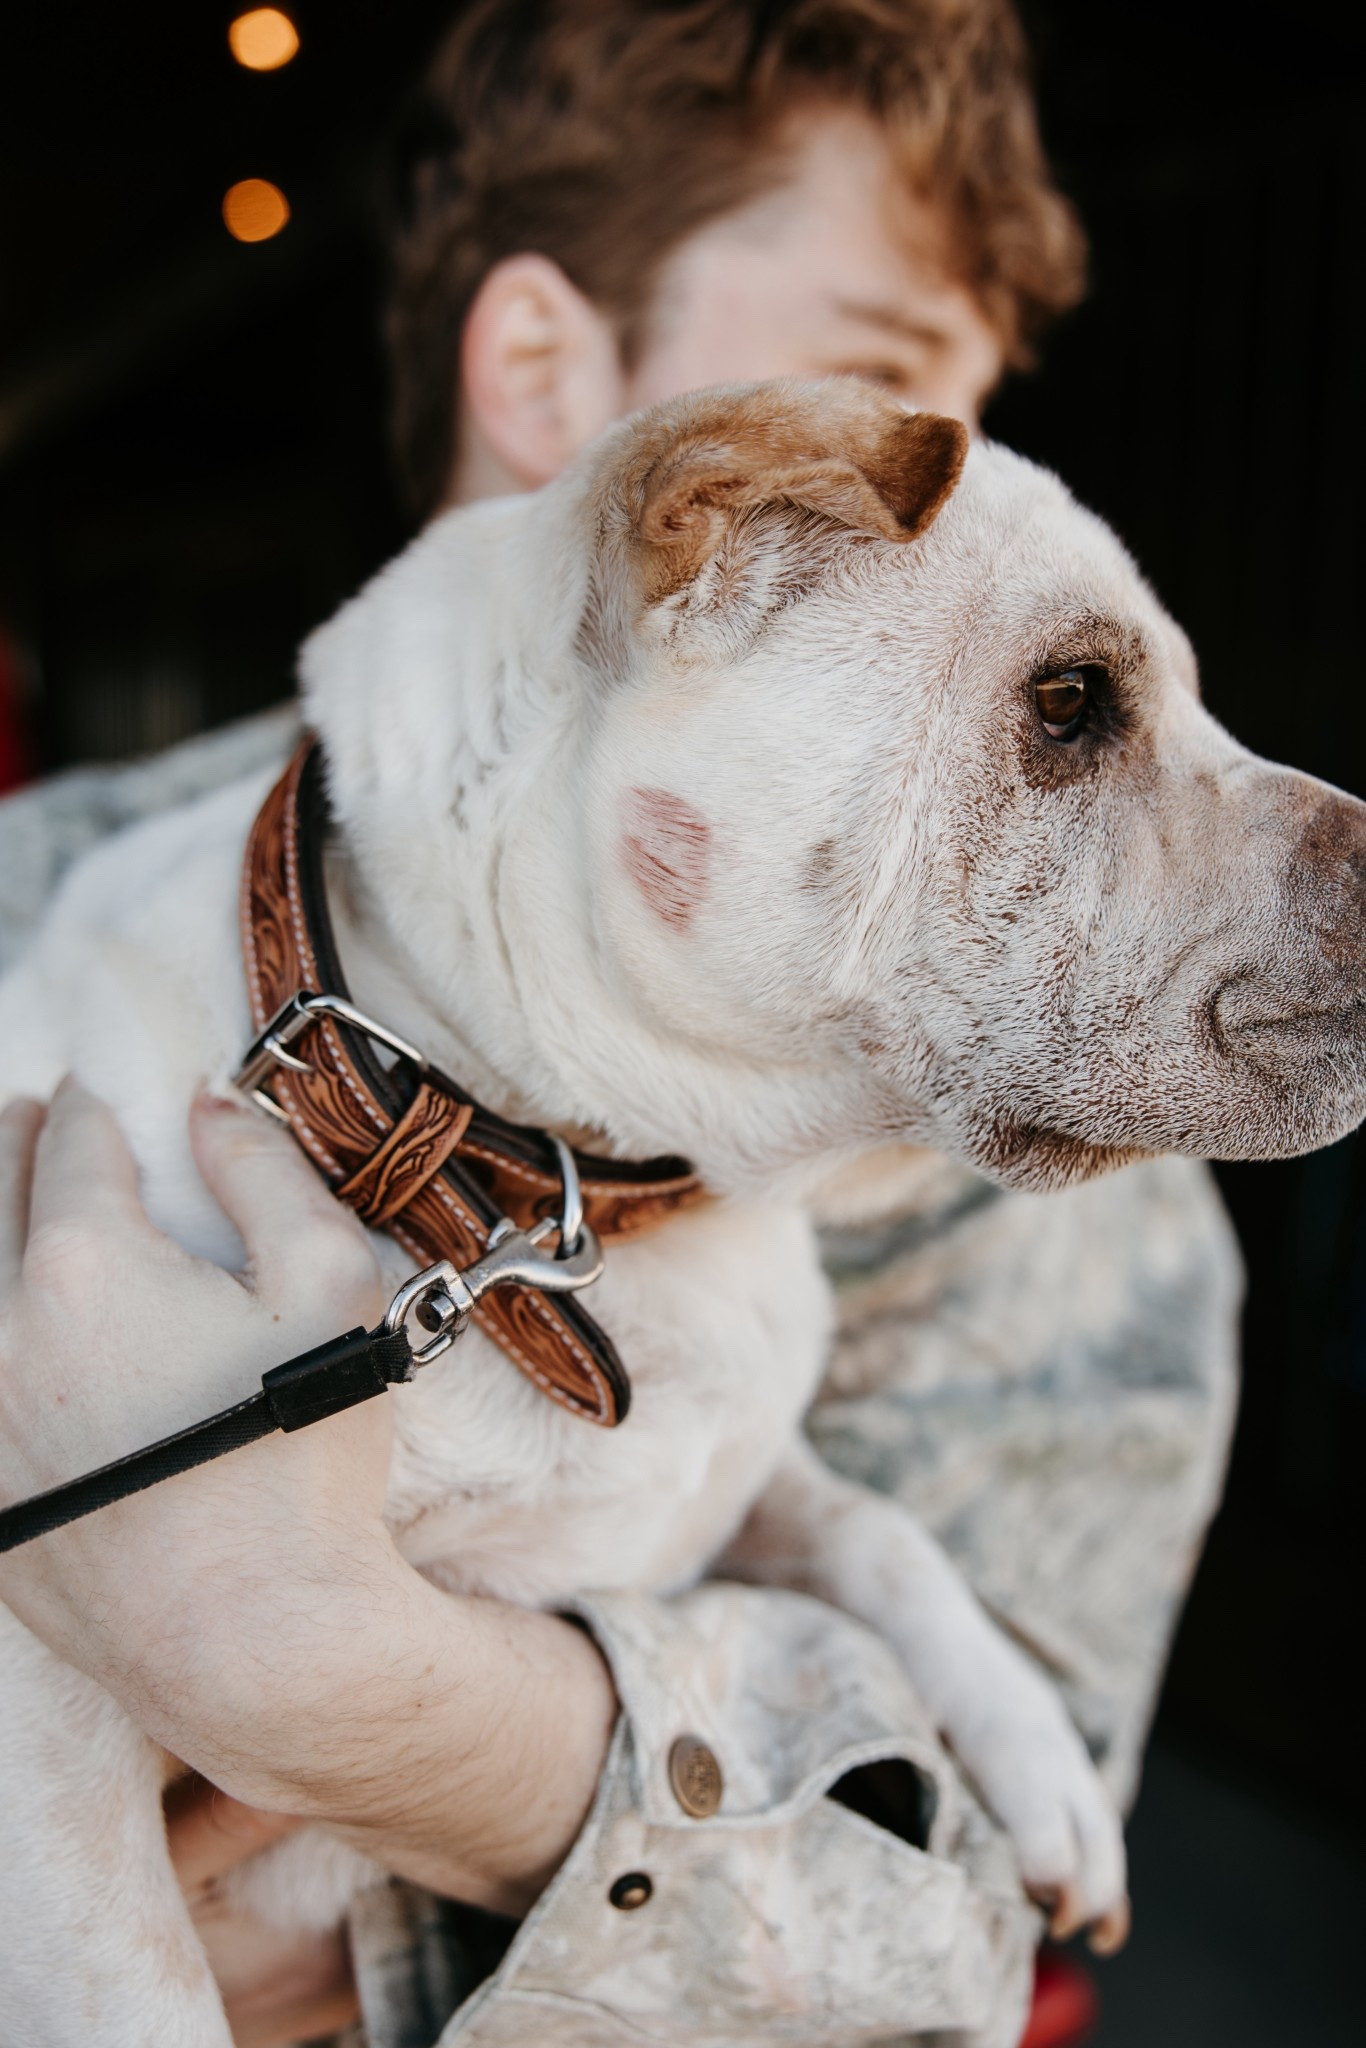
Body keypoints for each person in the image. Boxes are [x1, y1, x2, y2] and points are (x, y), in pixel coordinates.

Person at [0, 4, 1241, 2044]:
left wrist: (338, 1683)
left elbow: (956, 1939)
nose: (989, 499)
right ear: (540, 375)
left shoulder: (1045, 1151)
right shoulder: (46, 902)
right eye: (884, 397)